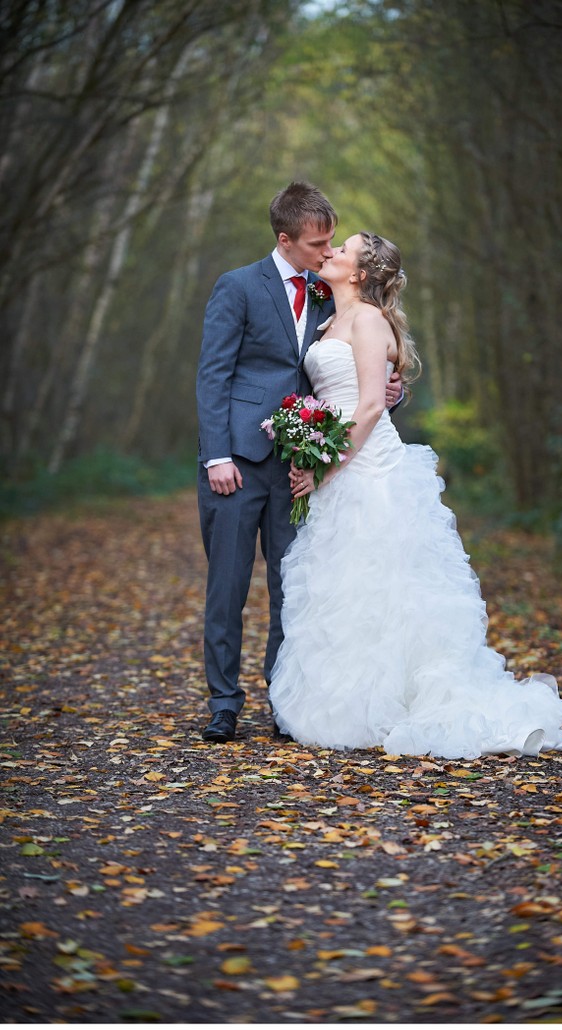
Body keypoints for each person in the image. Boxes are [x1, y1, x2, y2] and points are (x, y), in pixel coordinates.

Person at [270, 232, 562, 759]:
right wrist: (310, 446)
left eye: (342, 251)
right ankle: (349, 703)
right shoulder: (329, 318)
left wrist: (324, 470)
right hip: (338, 462)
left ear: (360, 273)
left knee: (388, 587)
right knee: (344, 586)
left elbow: (368, 408)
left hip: (370, 469)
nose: (331, 254)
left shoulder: (367, 320)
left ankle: (404, 701)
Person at [196, 184, 401, 742]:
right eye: (317, 243)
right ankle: (223, 703)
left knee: (296, 586)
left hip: (301, 465)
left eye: (333, 242)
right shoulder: (237, 286)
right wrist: (216, 454)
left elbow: (354, 370)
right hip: (236, 462)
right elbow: (214, 375)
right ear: (285, 240)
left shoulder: (329, 294)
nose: (326, 251)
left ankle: (286, 701)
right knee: (229, 585)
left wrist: (390, 388)